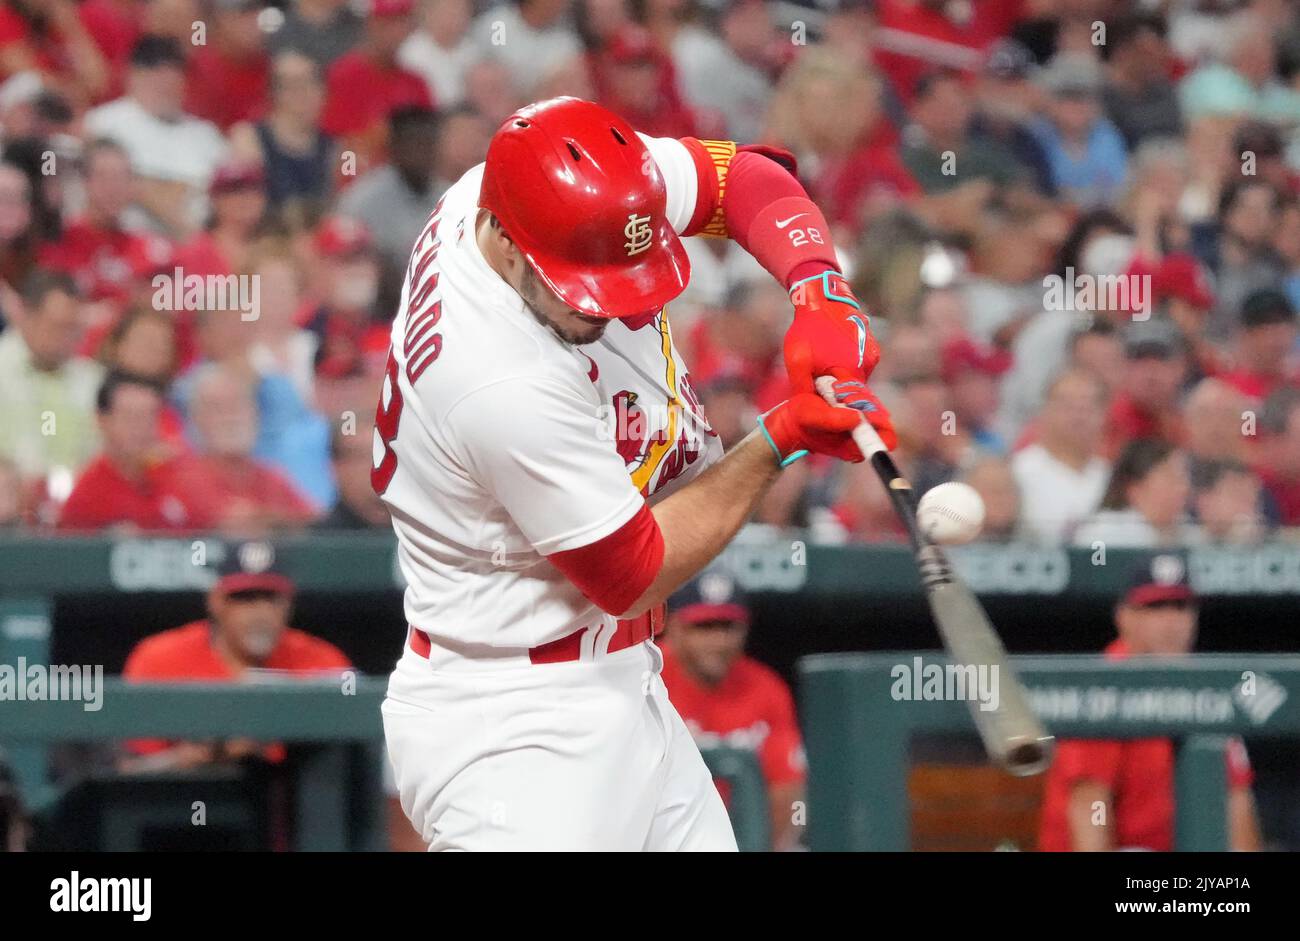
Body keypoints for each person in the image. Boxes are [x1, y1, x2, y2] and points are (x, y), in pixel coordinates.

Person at [377, 96, 895, 851]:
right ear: (513, 247)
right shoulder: (494, 378)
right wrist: (779, 438)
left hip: (617, 676)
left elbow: (744, 177)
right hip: (516, 723)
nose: (616, 309)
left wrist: (819, 287)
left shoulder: (524, 183)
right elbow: (632, 570)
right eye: (589, 288)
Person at [1038, 554, 1261, 852]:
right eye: (1155, 607)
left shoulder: (1208, 687)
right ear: (1124, 616)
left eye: (1180, 607)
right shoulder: (1103, 688)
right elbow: (1089, 806)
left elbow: (1235, 799)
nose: (1171, 621)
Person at [120, 540, 351, 771]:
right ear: (216, 601)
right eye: (245, 598)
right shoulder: (159, 658)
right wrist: (196, 757)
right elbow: (126, 769)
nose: (260, 613)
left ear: (289, 605)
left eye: (271, 599)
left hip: (290, 798)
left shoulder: (321, 661)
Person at [659, 569, 805, 851]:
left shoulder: (766, 687)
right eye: (704, 627)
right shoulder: (650, 677)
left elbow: (788, 792)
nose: (719, 641)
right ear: (674, 628)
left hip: (742, 837)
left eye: (728, 627)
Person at [83, 35, 228, 237]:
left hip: (199, 246)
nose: (168, 81)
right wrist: (173, 196)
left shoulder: (206, 135)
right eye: (157, 71)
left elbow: (227, 196)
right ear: (134, 74)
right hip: (128, 242)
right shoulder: (103, 123)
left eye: (176, 72)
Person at [57, 371, 197, 532]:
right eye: (130, 417)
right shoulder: (87, 497)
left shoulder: (176, 477)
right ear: (102, 421)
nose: (141, 428)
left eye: (150, 416)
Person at [0, 271, 102, 485]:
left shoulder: (94, 380)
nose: (66, 338)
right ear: (27, 316)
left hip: (76, 502)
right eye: (57, 326)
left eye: (73, 328)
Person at [1010, 369, 1110, 544]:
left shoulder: (1110, 477)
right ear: (1045, 410)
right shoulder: (1017, 472)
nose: (1079, 416)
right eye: (1068, 405)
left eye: (1088, 406)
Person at [1073, 439, 1194, 548]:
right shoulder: (1104, 534)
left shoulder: (1189, 533)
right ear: (1135, 489)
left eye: (1183, 477)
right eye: (1171, 478)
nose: (1183, 488)